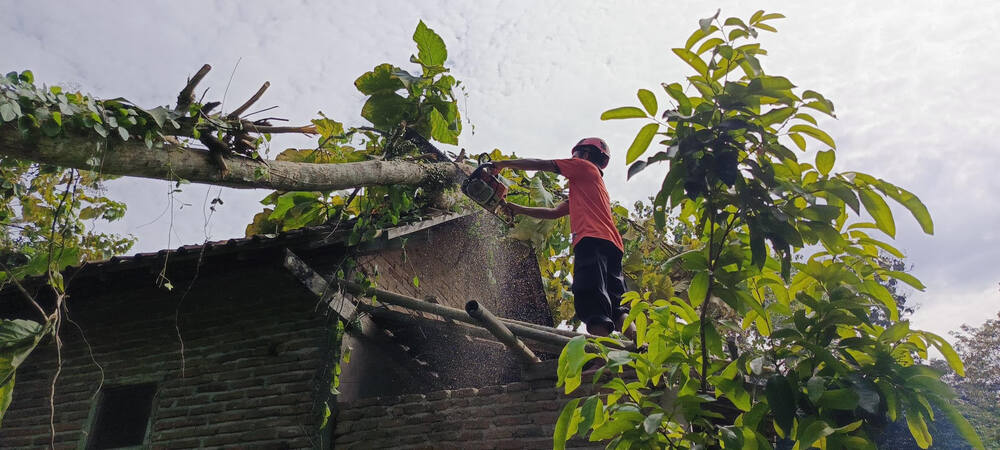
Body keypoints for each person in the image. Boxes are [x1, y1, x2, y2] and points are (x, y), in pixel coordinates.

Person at [492, 138, 633, 338]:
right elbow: (553, 212)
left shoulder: (583, 167)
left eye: (575, 155)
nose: (573, 159)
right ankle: (638, 342)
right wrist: (518, 209)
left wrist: (502, 164)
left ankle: (599, 352)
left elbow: (542, 164)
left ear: (585, 154)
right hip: (613, 246)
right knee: (617, 303)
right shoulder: (592, 186)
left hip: (591, 239)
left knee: (591, 297)